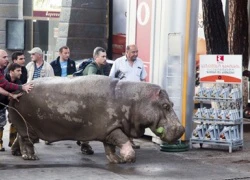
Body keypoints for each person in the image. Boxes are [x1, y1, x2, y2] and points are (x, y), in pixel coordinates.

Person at [109, 44, 147, 149]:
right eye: (133, 52)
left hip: (136, 97)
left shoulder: (139, 62)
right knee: (122, 119)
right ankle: (121, 141)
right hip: (122, 97)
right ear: (127, 52)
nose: (136, 54)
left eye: (137, 52)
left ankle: (130, 140)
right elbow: (111, 79)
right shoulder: (119, 62)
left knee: (133, 119)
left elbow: (143, 79)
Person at [0, 49, 33, 151]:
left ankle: (12, 142)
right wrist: (21, 88)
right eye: (4, 57)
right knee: (0, 123)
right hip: (2, 102)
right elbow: (4, 85)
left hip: (7, 102)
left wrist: (13, 94)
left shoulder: (4, 70)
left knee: (12, 121)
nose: (7, 59)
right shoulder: (4, 73)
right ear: (11, 71)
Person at [77, 47, 107, 155]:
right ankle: (84, 144)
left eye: (105, 56)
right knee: (87, 123)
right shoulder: (92, 67)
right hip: (86, 102)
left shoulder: (101, 67)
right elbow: (92, 81)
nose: (105, 58)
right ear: (95, 57)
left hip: (92, 101)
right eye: (102, 56)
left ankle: (82, 140)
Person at [26, 47, 54, 144]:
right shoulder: (29, 66)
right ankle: (34, 136)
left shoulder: (48, 67)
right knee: (32, 117)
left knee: (45, 116)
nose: (31, 56)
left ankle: (47, 137)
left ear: (39, 55)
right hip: (30, 95)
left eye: (33, 54)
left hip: (43, 96)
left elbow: (52, 82)